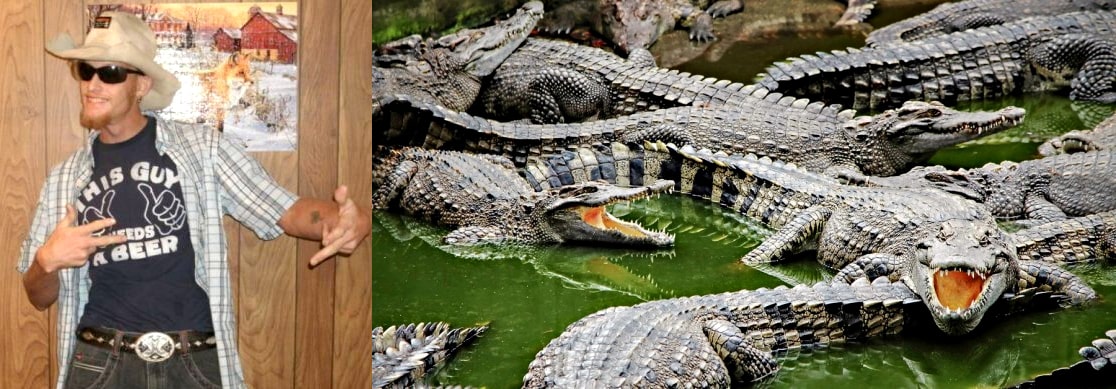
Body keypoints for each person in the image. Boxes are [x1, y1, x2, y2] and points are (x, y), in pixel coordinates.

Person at [17, 12, 370, 389]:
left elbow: (285, 209)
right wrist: (46, 261)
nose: (93, 84)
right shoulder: (63, 180)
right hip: (100, 364)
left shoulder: (202, 149)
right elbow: (38, 296)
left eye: (112, 72)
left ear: (141, 85)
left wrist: (345, 220)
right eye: (86, 70)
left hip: (193, 362)